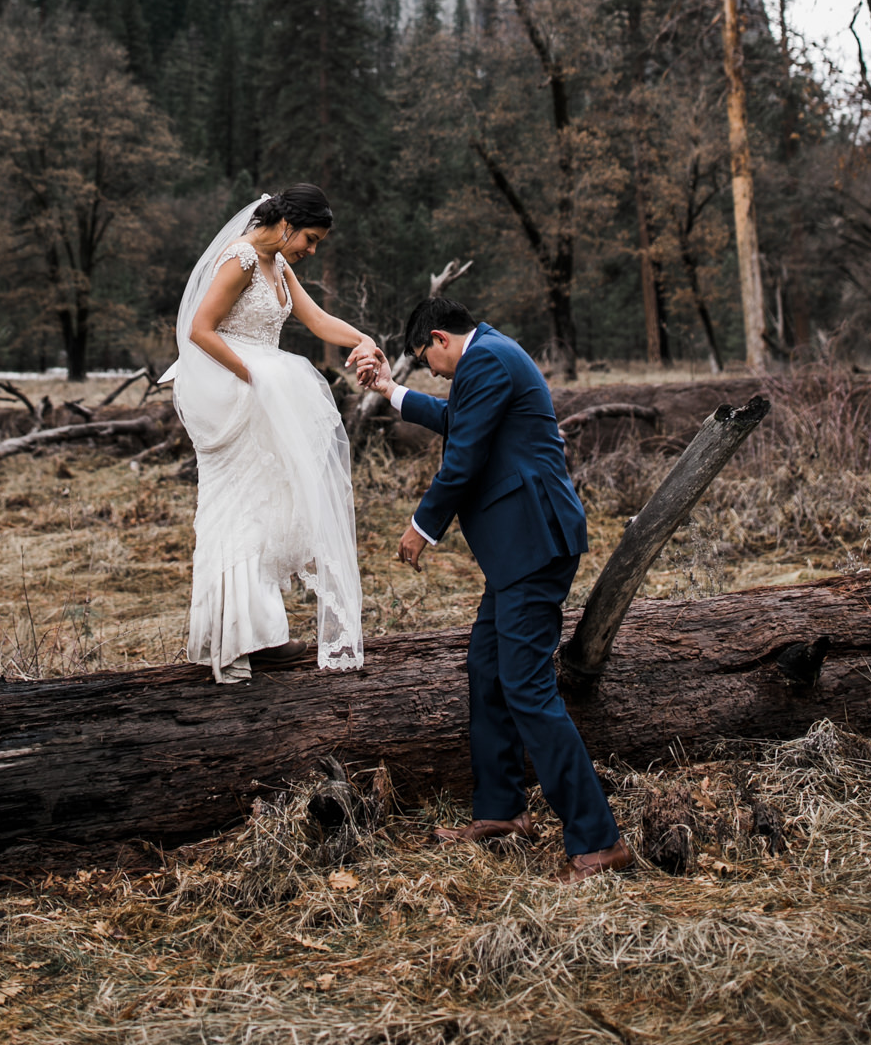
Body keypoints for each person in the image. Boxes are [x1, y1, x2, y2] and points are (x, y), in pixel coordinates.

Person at [357, 295, 632, 881]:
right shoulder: (492, 355)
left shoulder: (485, 361)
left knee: (529, 690)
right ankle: (503, 811)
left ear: (439, 337)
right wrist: (388, 390)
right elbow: (460, 421)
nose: (431, 371)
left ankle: (597, 841)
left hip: (533, 546)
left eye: (424, 359)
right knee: (487, 669)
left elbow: (464, 456)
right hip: (521, 551)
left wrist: (421, 526)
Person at [164, 186, 375, 684]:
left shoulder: (279, 265)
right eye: (310, 238)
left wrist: (363, 339)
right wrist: (255, 378)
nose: (311, 249)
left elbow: (317, 320)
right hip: (235, 397)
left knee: (262, 507)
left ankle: (250, 634)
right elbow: (201, 329)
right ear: (285, 224)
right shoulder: (239, 259)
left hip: (259, 395)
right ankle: (242, 638)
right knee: (239, 510)